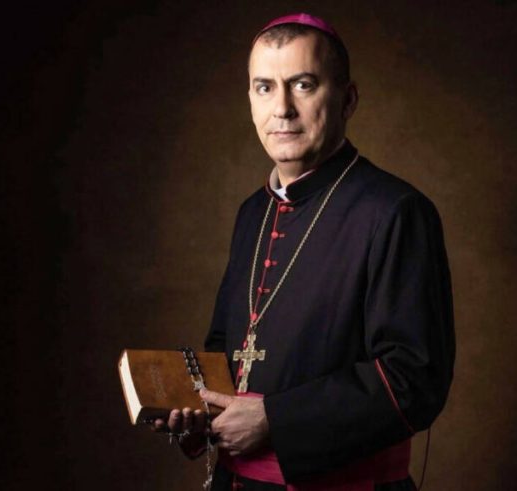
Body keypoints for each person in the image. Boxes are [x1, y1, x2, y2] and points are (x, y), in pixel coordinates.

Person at [154, 12, 455, 490]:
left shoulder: (396, 211)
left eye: (303, 85)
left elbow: (414, 379)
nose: (282, 109)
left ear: (347, 99)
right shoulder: (253, 212)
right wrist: (200, 413)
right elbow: (226, 348)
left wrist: (276, 420)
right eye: (264, 87)